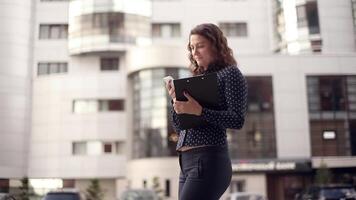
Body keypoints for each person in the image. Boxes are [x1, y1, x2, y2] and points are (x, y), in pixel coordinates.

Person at [165, 23, 248, 200]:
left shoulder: (230, 74)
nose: (195, 52)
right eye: (192, 47)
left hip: (209, 160)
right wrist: (176, 102)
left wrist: (200, 111)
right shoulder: (196, 81)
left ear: (216, 46)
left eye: (200, 46)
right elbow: (180, 129)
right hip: (186, 162)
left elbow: (237, 120)